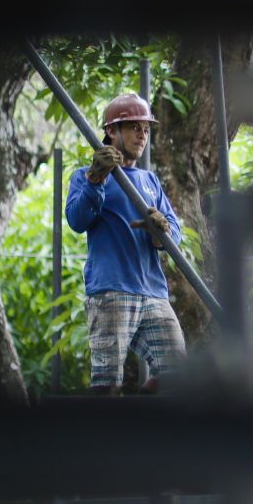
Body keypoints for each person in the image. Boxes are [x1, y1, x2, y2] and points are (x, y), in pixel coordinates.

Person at [66, 93, 186, 395]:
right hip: (111, 291)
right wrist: (96, 179)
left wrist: (161, 229)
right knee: (107, 383)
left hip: (153, 293)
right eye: (133, 127)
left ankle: (138, 425)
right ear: (111, 131)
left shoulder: (150, 181)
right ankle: (101, 439)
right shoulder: (85, 175)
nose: (141, 134)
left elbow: (174, 236)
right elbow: (77, 221)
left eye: (146, 128)